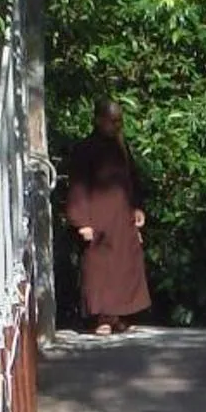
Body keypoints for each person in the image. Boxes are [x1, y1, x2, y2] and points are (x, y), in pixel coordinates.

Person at [64, 102, 151, 335]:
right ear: (98, 120)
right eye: (111, 121)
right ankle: (102, 317)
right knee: (98, 266)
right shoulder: (85, 149)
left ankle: (119, 314)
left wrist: (137, 208)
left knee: (124, 263)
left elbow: (131, 180)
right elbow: (77, 187)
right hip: (97, 217)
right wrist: (81, 222)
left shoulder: (121, 148)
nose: (115, 126)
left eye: (118, 121)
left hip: (121, 217)